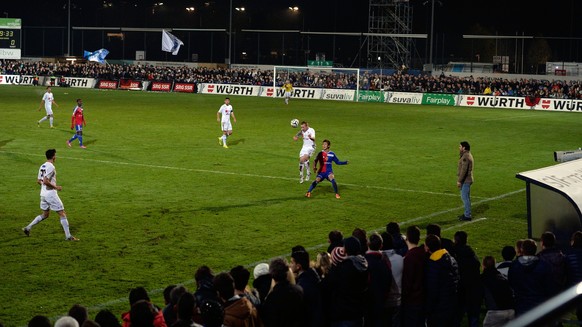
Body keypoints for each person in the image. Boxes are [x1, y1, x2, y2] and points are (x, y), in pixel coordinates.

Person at [22, 149, 79, 241]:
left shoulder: (42, 166)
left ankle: (28, 228)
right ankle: (68, 237)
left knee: (45, 215)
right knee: (62, 214)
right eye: (55, 155)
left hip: (43, 194)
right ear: (53, 156)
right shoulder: (51, 167)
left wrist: (44, 185)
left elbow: (39, 181)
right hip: (50, 194)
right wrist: (56, 187)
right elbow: (45, 181)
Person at [424, 234, 459, 327]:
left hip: (440, 307)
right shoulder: (450, 258)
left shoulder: (434, 263)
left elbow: (433, 289)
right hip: (452, 302)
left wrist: (429, 308)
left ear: (427, 247)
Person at [481, 256, 515, 327]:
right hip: (511, 310)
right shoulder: (502, 277)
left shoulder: (483, 278)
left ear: (483, 266)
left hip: (496, 311)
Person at [457, 141, 474, 221]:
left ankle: (467, 215)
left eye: (460, 146)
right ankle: (466, 213)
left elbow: (464, 170)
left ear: (464, 148)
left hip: (465, 180)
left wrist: (459, 181)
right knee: (465, 197)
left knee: (465, 198)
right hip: (466, 180)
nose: (459, 148)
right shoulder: (466, 155)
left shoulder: (465, 157)